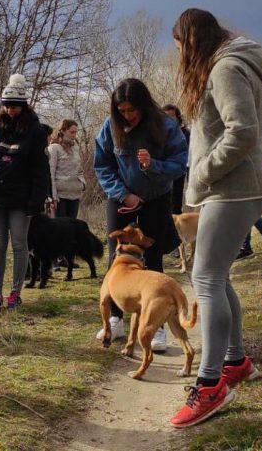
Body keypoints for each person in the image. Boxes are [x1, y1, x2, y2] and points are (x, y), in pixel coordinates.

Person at [169, 8, 262, 428]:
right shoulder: (230, 62)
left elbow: (243, 130)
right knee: (218, 275)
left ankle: (210, 385)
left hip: (232, 189)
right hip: (236, 189)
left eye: (179, 45)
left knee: (206, 278)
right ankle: (236, 362)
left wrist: (203, 171)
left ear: (191, 40)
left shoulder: (225, 67)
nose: (178, 53)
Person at [93, 78, 187, 352]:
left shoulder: (166, 126)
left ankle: (156, 328)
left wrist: (153, 165)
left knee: (153, 259)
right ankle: (115, 317)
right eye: (121, 111)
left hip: (156, 199)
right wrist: (123, 194)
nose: (127, 115)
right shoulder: (110, 127)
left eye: (131, 110)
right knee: (117, 258)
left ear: (143, 105)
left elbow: (180, 164)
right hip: (121, 199)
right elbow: (102, 166)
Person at [0, 74, 51, 311]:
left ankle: (15, 293)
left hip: (22, 198)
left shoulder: (36, 132)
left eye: (14, 106)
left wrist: (37, 200)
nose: (10, 110)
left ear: (24, 106)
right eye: (6, 105)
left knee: (19, 244)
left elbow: (41, 169)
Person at [47, 119, 86, 219]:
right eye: (71, 132)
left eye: (76, 132)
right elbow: (50, 174)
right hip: (60, 197)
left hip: (75, 194)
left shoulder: (75, 147)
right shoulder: (54, 148)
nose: (74, 135)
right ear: (63, 131)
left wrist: (82, 184)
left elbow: (79, 168)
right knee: (61, 228)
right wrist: (53, 197)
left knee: (72, 228)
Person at [162, 104, 191, 216]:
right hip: (163, 170)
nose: (169, 121)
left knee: (176, 201)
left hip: (180, 170)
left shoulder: (185, 133)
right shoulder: (159, 135)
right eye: (166, 117)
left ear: (178, 118)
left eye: (172, 117)